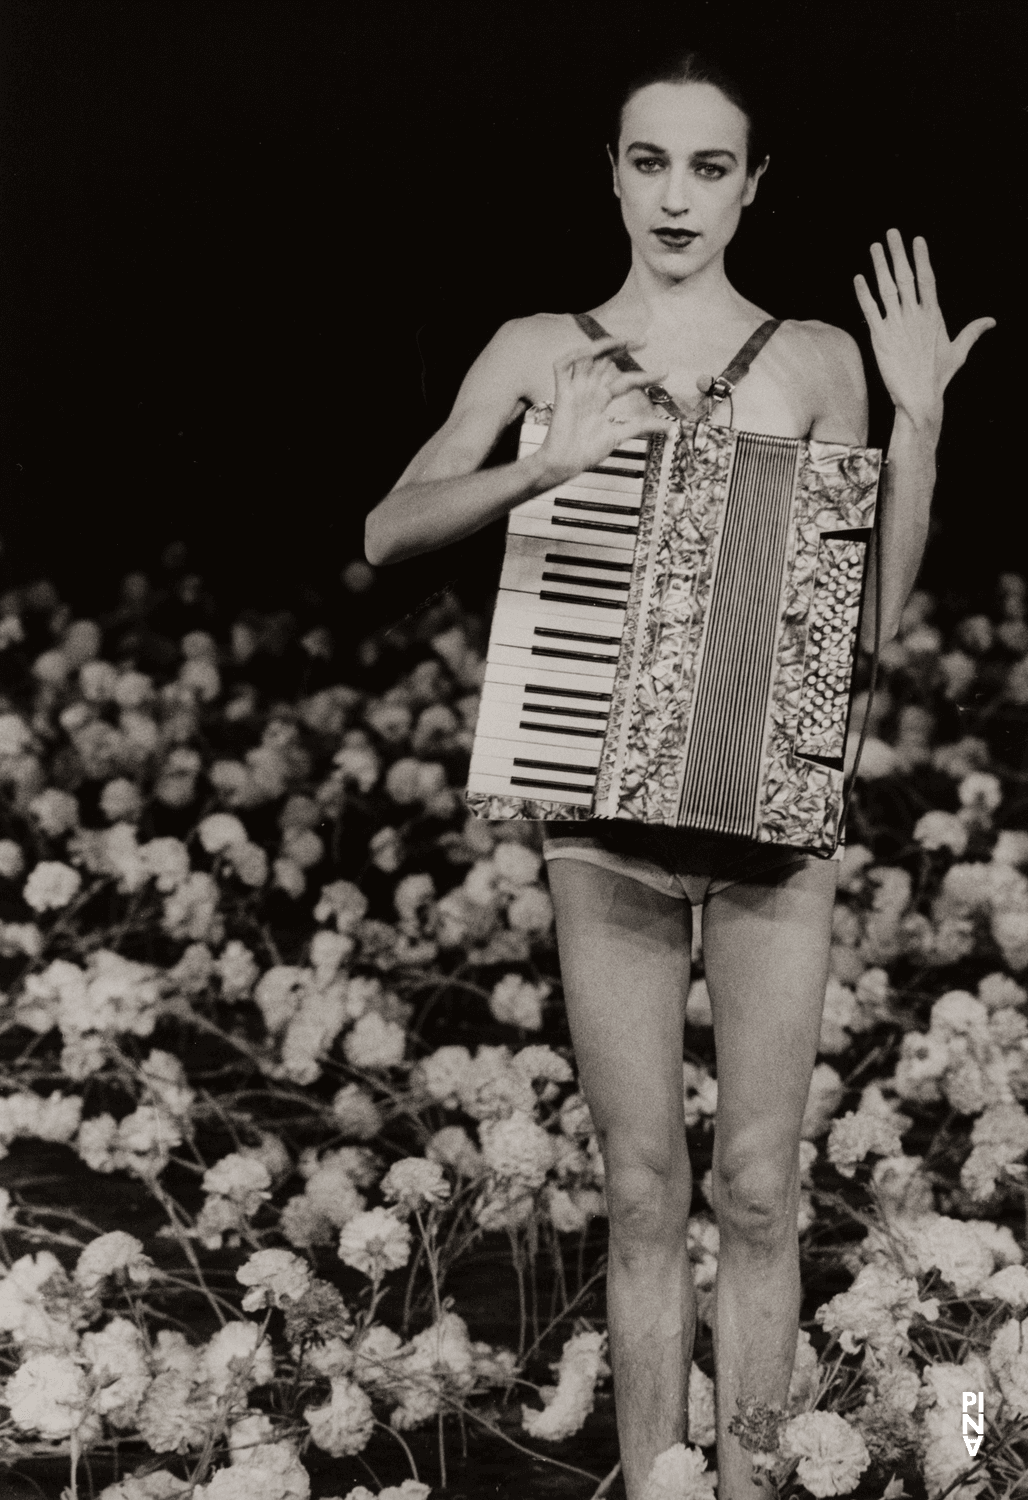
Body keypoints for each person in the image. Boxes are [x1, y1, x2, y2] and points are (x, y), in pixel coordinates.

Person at [364, 49, 994, 1499]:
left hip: (772, 826)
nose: (677, 194)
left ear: (753, 186)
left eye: (711, 167)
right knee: (644, 1189)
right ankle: (658, 1479)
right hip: (603, 825)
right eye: (652, 161)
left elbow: (872, 629)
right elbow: (389, 529)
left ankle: (758, 1482)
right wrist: (535, 466)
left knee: (761, 1190)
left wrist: (921, 427)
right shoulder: (541, 348)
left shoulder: (820, 359)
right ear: (613, 170)